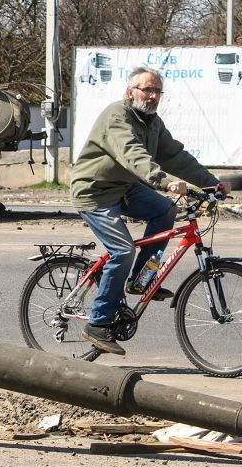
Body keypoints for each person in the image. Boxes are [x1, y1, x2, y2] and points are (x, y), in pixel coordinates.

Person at [68, 66, 221, 355]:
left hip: (124, 187)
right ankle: (98, 323)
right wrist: (165, 182)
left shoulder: (152, 122)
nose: (152, 96)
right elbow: (132, 155)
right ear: (130, 92)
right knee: (123, 250)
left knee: (164, 211)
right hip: (94, 191)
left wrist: (213, 183)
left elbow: (176, 156)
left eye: (157, 91)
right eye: (146, 90)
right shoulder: (117, 116)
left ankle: (140, 282)